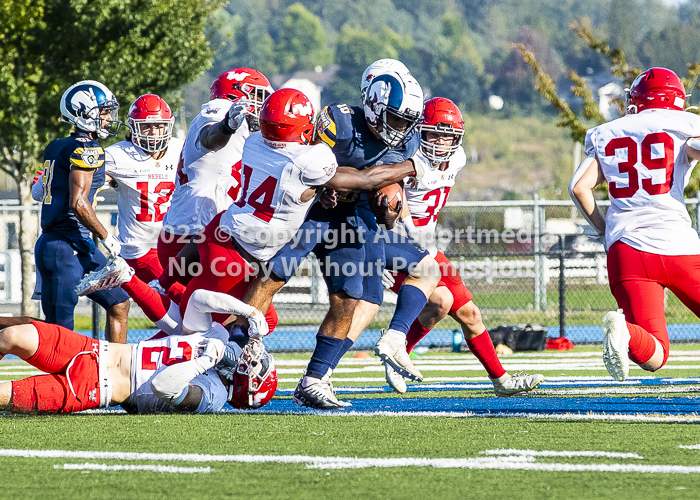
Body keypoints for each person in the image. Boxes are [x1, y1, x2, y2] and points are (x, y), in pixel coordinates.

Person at [239, 68, 438, 409]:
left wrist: (387, 206)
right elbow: (318, 169)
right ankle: (236, 353)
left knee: (348, 297)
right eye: (396, 118)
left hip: (354, 218)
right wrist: (339, 186)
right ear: (374, 106)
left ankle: (315, 379)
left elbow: (387, 211)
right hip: (310, 210)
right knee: (274, 275)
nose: (402, 129)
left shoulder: (406, 141)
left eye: (407, 121)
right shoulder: (340, 121)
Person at [378, 97, 544, 395]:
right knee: (440, 302)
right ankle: (393, 345)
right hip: (400, 245)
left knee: (468, 314)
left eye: (448, 134)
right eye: (435, 132)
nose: (441, 140)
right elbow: (389, 205)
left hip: (426, 247)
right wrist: (381, 255)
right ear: (420, 131)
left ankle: (501, 381)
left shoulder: (458, 158)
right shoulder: (405, 158)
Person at [569, 67, 700, 381]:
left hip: (627, 251)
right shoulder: (685, 124)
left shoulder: (609, 131)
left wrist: (604, 229)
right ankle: (624, 330)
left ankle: (624, 331)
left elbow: (579, 187)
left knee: (654, 353)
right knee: (656, 358)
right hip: (677, 245)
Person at [0, 285, 277, 414]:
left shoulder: (212, 396)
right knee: (10, 336)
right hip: (95, 349)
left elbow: (163, 386)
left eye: (254, 365)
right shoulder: (213, 338)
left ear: (245, 384)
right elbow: (198, 299)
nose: (249, 357)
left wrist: (203, 362)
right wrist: (249, 311)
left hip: (96, 388)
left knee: (2, 394)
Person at [157, 68, 272, 288]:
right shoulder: (221, 109)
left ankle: (152, 287)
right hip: (191, 236)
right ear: (236, 94)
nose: (262, 104)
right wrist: (227, 124)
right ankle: (140, 284)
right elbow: (210, 138)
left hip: (207, 234)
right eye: (258, 96)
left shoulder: (248, 132)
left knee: (199, 317)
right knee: (246, 313)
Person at [33, 80, 130, 341]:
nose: (109, 118)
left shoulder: (57, 146)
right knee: (60, 333)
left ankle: (113, 372)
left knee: (119, 303)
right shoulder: (87, 149)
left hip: (78, 245)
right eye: (104, 111)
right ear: (83, 112)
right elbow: (78, 202)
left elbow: (42, 190)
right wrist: (107, 236)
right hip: (64, 246)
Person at [103, 95, 182, 295]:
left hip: (175, 243)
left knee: (191, 305)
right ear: (133, 127)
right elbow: (82, 177)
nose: (154, 133)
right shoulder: (118, 155)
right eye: (147, 127)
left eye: (159, 126)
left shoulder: (181, 149)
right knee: (182, 297)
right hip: (141, 248)